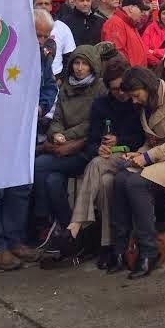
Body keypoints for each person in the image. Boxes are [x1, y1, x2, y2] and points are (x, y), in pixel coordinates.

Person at [103, 67, 165, 279]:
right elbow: (152, 141)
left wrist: (147, 158)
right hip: (161, 155)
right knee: (120, 179)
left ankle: (149, 251)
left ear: (146, 87)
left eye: (136, 95)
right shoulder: (145, 104)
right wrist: (138, 154)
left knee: (135, 183)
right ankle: (119, 249)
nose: (134, 101)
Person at [63, 56, 141, 267]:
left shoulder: (136, 103)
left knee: (97, 164)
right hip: (106, 160)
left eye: (123, 88)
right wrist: (98, 147)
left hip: (132, 157)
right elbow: (91, 140)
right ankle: (109, 245)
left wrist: (120, 140)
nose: (121, 93)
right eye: (115, 89)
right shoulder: (101, 105)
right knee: (106, 183)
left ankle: (75, 225)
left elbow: (141, 138)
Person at [34, 45, 104, 254]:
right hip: (62, 142)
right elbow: (57, 117)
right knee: (52, 181)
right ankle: (67, 227)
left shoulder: (99, 88)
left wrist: (68, 136)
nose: (79, 68)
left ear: (92, 66)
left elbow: (92, 123)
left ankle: (41, 219)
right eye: (76, 63)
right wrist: (57, 133)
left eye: (84, 64)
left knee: (39, 165)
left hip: (83, 149)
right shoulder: (66, 86)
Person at [101, 0, 149, 67]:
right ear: (131, 8)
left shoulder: (130, 24)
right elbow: (116, 55)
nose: (143, 14)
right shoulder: (115, 23)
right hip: (128, 72)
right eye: (141, 10)